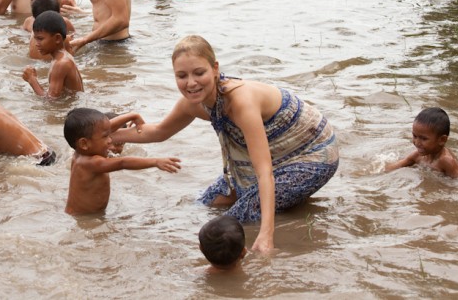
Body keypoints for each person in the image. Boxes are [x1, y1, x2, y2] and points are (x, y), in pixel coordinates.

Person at [110, 35, 339, 252]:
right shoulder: (192, 103)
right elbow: (159, 131)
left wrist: (266, 235)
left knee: (235, 220)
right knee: (204, 203)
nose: (191, 83)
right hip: (276, 153)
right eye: (182, 76)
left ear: (215, 68)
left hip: (314, 153)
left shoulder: (240, 102)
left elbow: (264, 172)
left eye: (199, 73)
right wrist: (111, 137)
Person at [64, 107, 181, 215]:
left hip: (85, 213)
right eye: (105, 136)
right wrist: (155, 162)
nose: (110, 140)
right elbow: (123, 163)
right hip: (85, 217)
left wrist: (132, 115)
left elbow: (109, 127)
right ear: (84, 143)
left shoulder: (80, 152)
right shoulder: (92, 163)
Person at [385, 107, 458, 178]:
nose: (417, 142)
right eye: (415, 136)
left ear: (442, 140)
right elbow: (393, 167)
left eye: (423, 139)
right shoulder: (418, 155)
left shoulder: (446, 161)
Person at [22, 11, 83, 98]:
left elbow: (51, 102)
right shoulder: (62, 57)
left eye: (40, 39)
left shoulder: (61, 64)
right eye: (36, 39)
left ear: (57, 38)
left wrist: (32, 80)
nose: (36, 43)